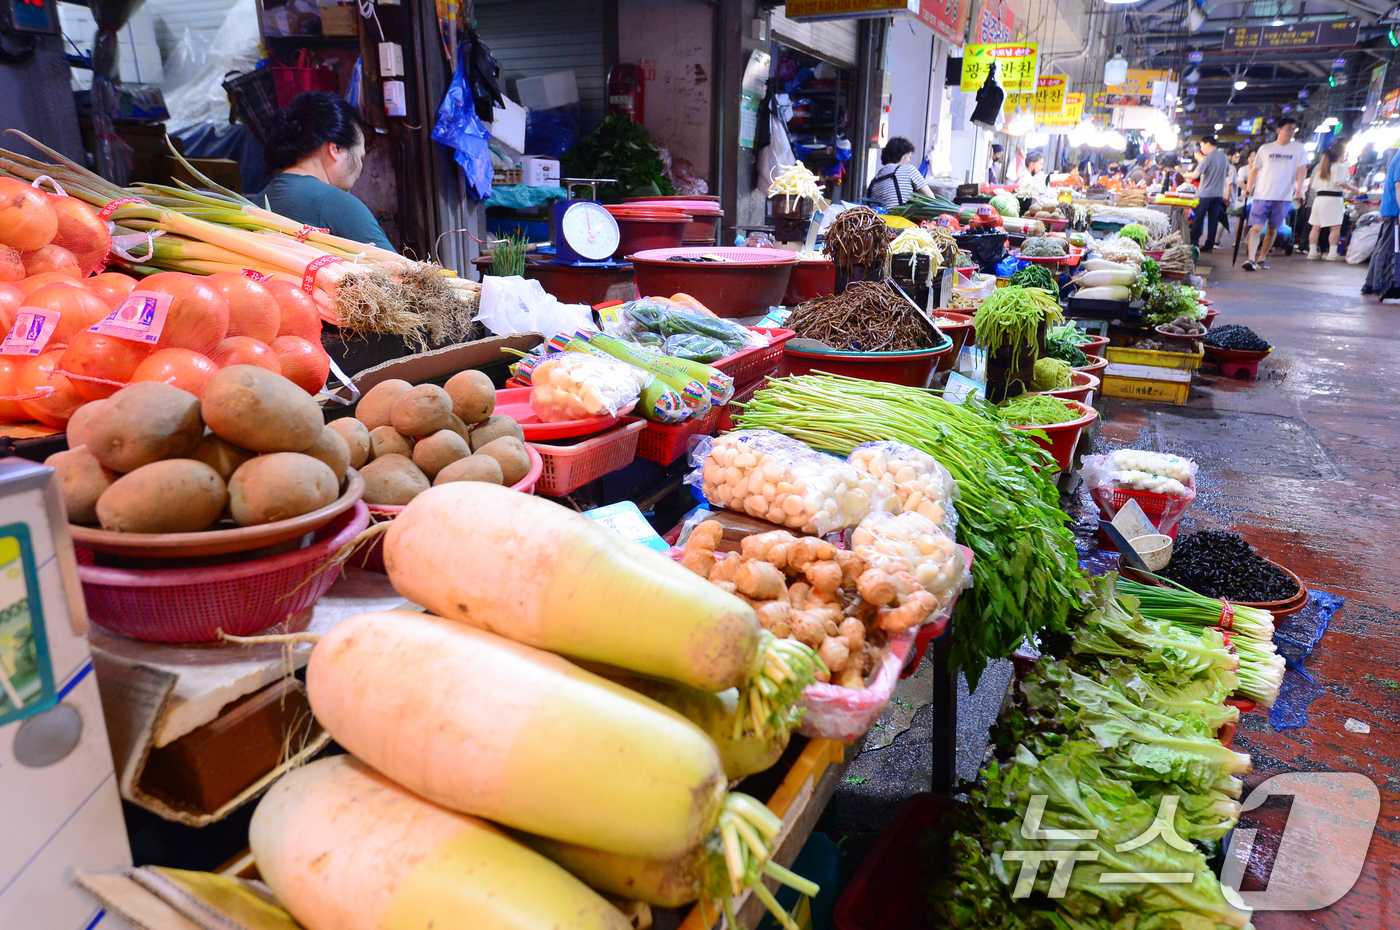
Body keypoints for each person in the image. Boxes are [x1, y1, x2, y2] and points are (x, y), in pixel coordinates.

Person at [260, 92, 393, 251]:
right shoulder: (338, 204)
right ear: (335, 148)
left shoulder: (257, 202)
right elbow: (402, 274)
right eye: (360, 157)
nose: (360, 170)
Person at [1242, 119, 1307, 272]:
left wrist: (1299, 188)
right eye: (1288, 129)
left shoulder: (1298, 149)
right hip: (1262, 194)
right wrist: (1249, 187)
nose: (1290, 132)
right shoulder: (1265, 149)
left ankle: (1262, 258)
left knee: (1272, 229)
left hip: (1283, 196)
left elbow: (1302, 169)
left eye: (1293, 130)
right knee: (1257, 227)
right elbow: (1255, 170)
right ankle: (1250, 259)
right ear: (1279, 130)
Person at [1306, 141, 1357, 261]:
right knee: (1335, 228)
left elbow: (1313, 185)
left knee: (1315, 227)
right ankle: (1332, 253)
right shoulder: (1339, 167)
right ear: (1340, 154)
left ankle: (1312, 252)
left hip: (1319, 200)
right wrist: (1354, 189)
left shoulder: (1322, 167)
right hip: (1333, 200)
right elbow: (1341, 182)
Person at [1363, 141, 1400, 296]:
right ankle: (1378, 283)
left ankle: (1371, 283)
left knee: (1383, 245)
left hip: (1391, 208)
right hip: (1394, 209)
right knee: (1387, 246)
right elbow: (1399, 185)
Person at [1186, 136, 1230, 252]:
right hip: (1218, 194)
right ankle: (1209, 246)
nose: (1201, 149)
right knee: (1213, 220)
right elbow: (1227, 173)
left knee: (1198, 219)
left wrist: (1184, 175)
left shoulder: (1207, 158)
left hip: (1205, 194)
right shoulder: (1224, 157)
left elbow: (1195, 175)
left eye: (1202, 146)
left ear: (1208, 144)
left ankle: (1194, 242)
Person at [867, 136, 935, 208]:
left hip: (878, 218)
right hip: (900, 219)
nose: (909, 161)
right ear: (904, 156)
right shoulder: (909, 169)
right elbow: (931, 200)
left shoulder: (874, 180)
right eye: (909, 157)